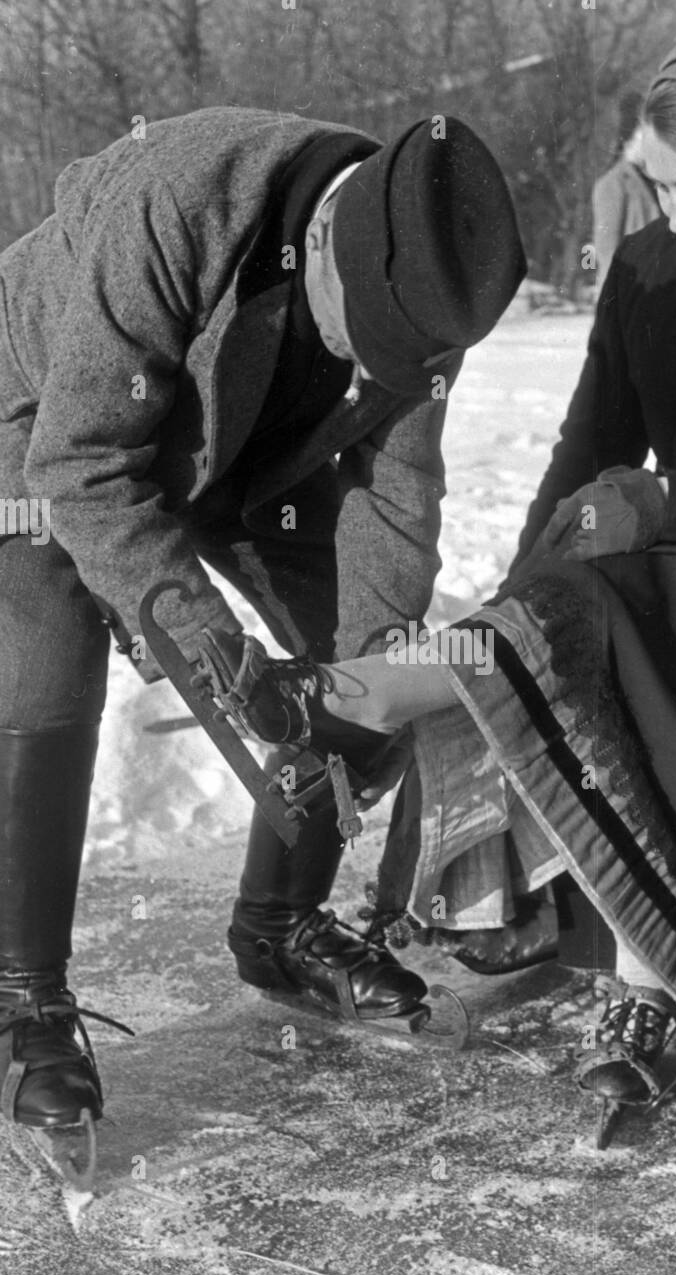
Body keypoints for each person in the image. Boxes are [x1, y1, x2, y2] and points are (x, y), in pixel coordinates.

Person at [199, 22, 676, 1117]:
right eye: (657, 186)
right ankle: (436, 725)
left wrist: (668, 500)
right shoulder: (656, 265)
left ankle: (644, 969)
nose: (674, 214)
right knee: (559, 606)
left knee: (609, 600)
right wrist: (532, 570)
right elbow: (586, 447)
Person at [0, 108, 526, 1140]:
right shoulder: (178, 201)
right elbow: (84, 470)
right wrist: (214, 654)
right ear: (326, 240)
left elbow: (393, 491)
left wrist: (367, 675)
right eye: (355, 339)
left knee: (363, 661)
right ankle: (22, 997)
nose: (369, 372)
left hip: (247, 450)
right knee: (48, 647)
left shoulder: (428, 277)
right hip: (41, 423)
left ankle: (279, 924)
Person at [591, 91, 660, 297]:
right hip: (632, 294)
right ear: (629, 137)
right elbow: (607, 251)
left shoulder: (659, 179)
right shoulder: (612, 184)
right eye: (644, 134)